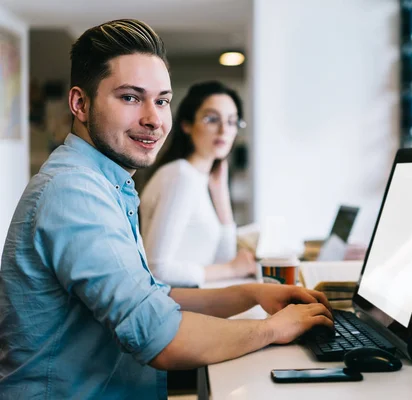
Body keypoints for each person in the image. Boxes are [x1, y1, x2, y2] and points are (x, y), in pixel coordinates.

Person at [0, 19, 333, 399]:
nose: (154, 119)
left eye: (161, 100)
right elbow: (160, 337)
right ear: (80, 103)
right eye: (130, 97)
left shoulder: (105, 183)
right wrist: (274, 329)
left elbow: (154, 296)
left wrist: (253, 294)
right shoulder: (74, 192)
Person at [140, 81, 255, 287]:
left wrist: (221, 198)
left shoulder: (201, 178)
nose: (223, 130)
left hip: (197, 299)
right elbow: (156, 268)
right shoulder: (181, 175)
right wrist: (231, 269)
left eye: (231, 121)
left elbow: (221, 261)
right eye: (212, 119)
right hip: (177, 308)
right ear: (186, 124)